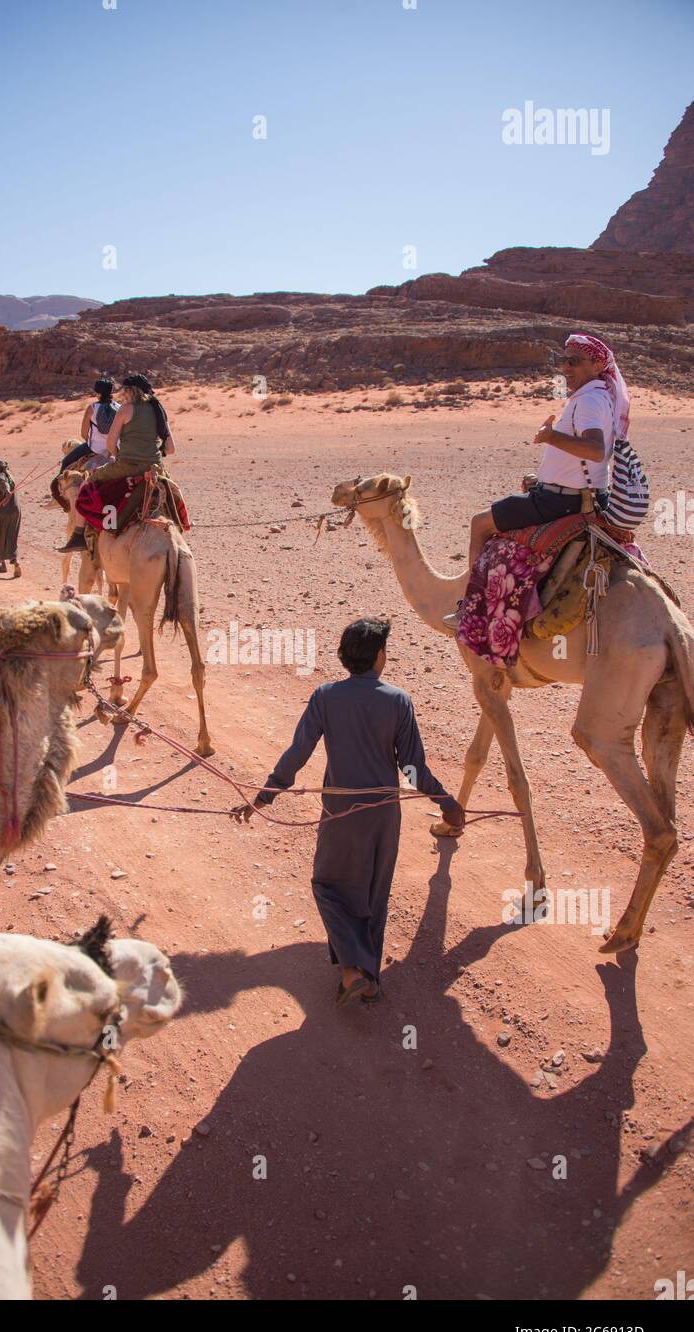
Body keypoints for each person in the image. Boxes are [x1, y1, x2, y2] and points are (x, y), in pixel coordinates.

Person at [231, 619, 465, 1004]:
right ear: (377, 656)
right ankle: (369, 978)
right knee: (375, 891)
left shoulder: (325, 697)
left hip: (341, 813)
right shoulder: (398, 700)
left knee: (329, 885)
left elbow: (298, 754)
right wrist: (447, 804)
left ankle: (352, 970)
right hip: (384, 815)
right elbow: (412, 769)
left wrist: (263, 797)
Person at [445, 333, 627, 627]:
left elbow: (594, 450)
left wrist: (551, 437)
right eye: (563, 361)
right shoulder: (596, 396)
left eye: (574, 361)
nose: (566, 368)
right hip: (575, 495)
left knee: (480, 524)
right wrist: (541, 478)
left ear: (596, 365)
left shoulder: (590, 401)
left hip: (559, 502)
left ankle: (472, 607)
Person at [58, 372, 176, 550]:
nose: (123, 394)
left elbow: (110, 444)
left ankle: (79, 535)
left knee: (85, 485)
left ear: (130, 391)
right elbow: (171, 449)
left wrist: (122, 456)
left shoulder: (126, 409)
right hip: (155, 468)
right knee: (172, 490)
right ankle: (180, 524)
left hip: (126, 466)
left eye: (125, 391)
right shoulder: (158, 409)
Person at [59, 377, 120, 476]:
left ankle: (56, 489)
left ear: (98, 394)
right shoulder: (119, 407)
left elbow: (83, 434)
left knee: (66, 462)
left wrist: (93, 442)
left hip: (94, 448)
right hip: (115, 449)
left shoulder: (92, 408)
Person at [0, 459, 21, 577]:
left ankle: (3, 565)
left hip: (2, 512)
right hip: (15, 511)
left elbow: (2, 482)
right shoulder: (10, 475)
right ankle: (16, 563)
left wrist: (6, 492)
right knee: (12, 537)